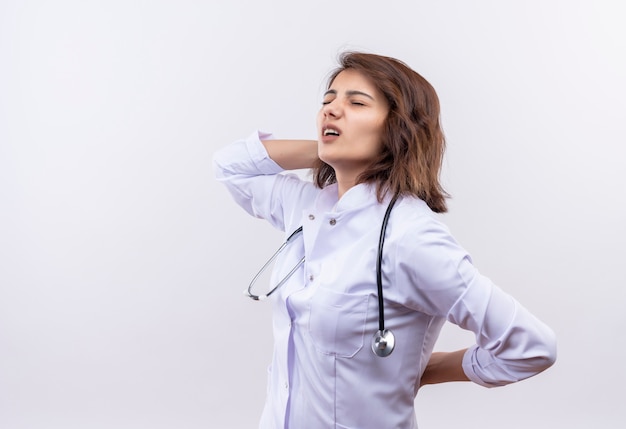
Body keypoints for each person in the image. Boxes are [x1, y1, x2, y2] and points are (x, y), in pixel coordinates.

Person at [213, 52, 556, 429]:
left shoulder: (411, 238)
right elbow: (230, 165)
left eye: (356, 102)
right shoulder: (306, 206)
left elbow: (531, 346)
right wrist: (327, 151)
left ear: (397, 128)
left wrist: (431, 369)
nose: (331, 110)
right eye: (328, 100)